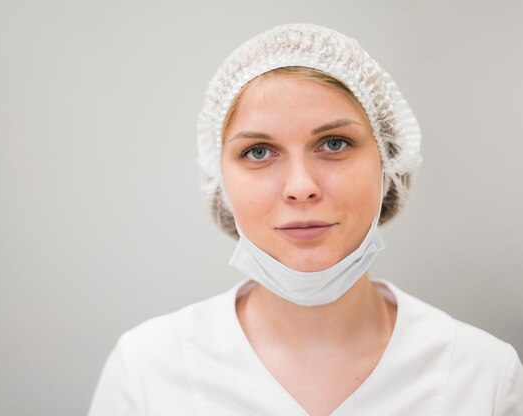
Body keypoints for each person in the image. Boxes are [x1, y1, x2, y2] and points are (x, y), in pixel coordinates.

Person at [88, 24, 523, 415]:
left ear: (387, 162)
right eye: (258, 152)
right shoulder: (146, 370)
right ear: (220, 177)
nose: (300, 186)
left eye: (334, 143)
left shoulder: (483, 375)